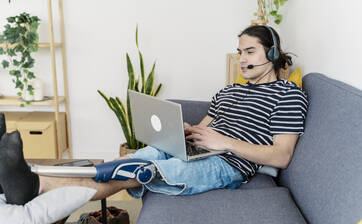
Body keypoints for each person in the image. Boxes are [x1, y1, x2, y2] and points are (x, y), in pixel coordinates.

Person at [0, 25, 308, 205]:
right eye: (239, 52)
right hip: (200, 151)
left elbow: (281, 156)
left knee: (134, 171)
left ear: (271, 53)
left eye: (249, 52)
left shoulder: (287, 94)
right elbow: (203, 130)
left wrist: (224, 143)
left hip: (226, 164)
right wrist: (183, 132)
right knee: (123, 163)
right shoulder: (228, 91)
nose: (241, 60)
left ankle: (33, 187)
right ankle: (29, 177)